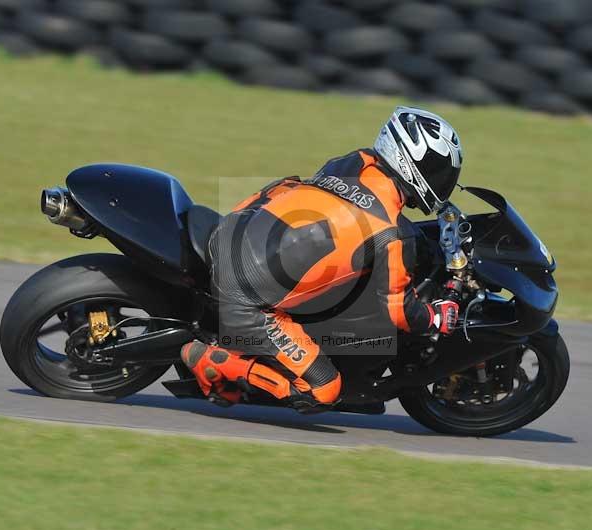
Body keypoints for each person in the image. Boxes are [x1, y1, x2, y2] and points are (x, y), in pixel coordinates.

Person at [180, 106, 464, 411]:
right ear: (410, 163)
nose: (441, 182)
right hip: (247, 299)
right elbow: (399, 312)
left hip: (232, 233)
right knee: (324, 389)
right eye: (437, 171)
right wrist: (436, 316)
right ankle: (217, 361)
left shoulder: (353, 162)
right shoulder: (392, 234)